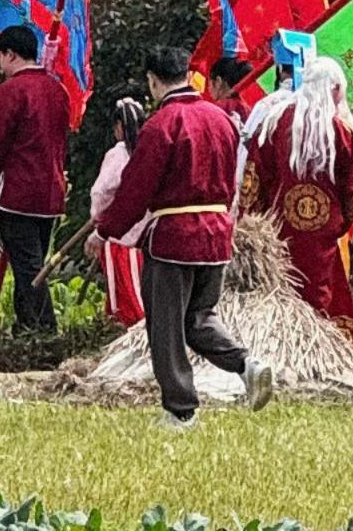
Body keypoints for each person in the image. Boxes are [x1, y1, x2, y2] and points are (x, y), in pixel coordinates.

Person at [97, 41, 253, 425]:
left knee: (166, 326)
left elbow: (137, 187)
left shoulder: (160, 125)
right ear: (187, 74)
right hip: (218, 233)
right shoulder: (221, 120)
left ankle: (180, 409)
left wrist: (107, 231)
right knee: (200, 317)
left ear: (152, 81)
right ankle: (248, 364)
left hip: (174, 237)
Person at [238, 37, 353, 337]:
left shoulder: (274, 120)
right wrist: (343, 221)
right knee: (322, 289)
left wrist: (255, 220)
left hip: (278, 228)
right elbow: (351, 185)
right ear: (335, 89)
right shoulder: (341, 131)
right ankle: (319, 343)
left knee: (280, 286)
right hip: (322, 228)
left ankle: (280, 341)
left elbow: (254, 177)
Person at [0, 21, 74, 342]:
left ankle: (44, 329)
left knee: (28, 267)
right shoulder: (58, 90)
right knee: (30, 261)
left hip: (17, 193)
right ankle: (25, 325)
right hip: (51, 193)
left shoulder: (10, 92)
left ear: (10, 54)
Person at [86, 95, 149, 331]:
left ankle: (131, 335)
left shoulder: (118, 154)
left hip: (118, 236)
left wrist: (98, 219)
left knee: (124, 295)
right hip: (144, 235)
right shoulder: (150, 148)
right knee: (140, 289)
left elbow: (100, 192)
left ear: (120, 127)